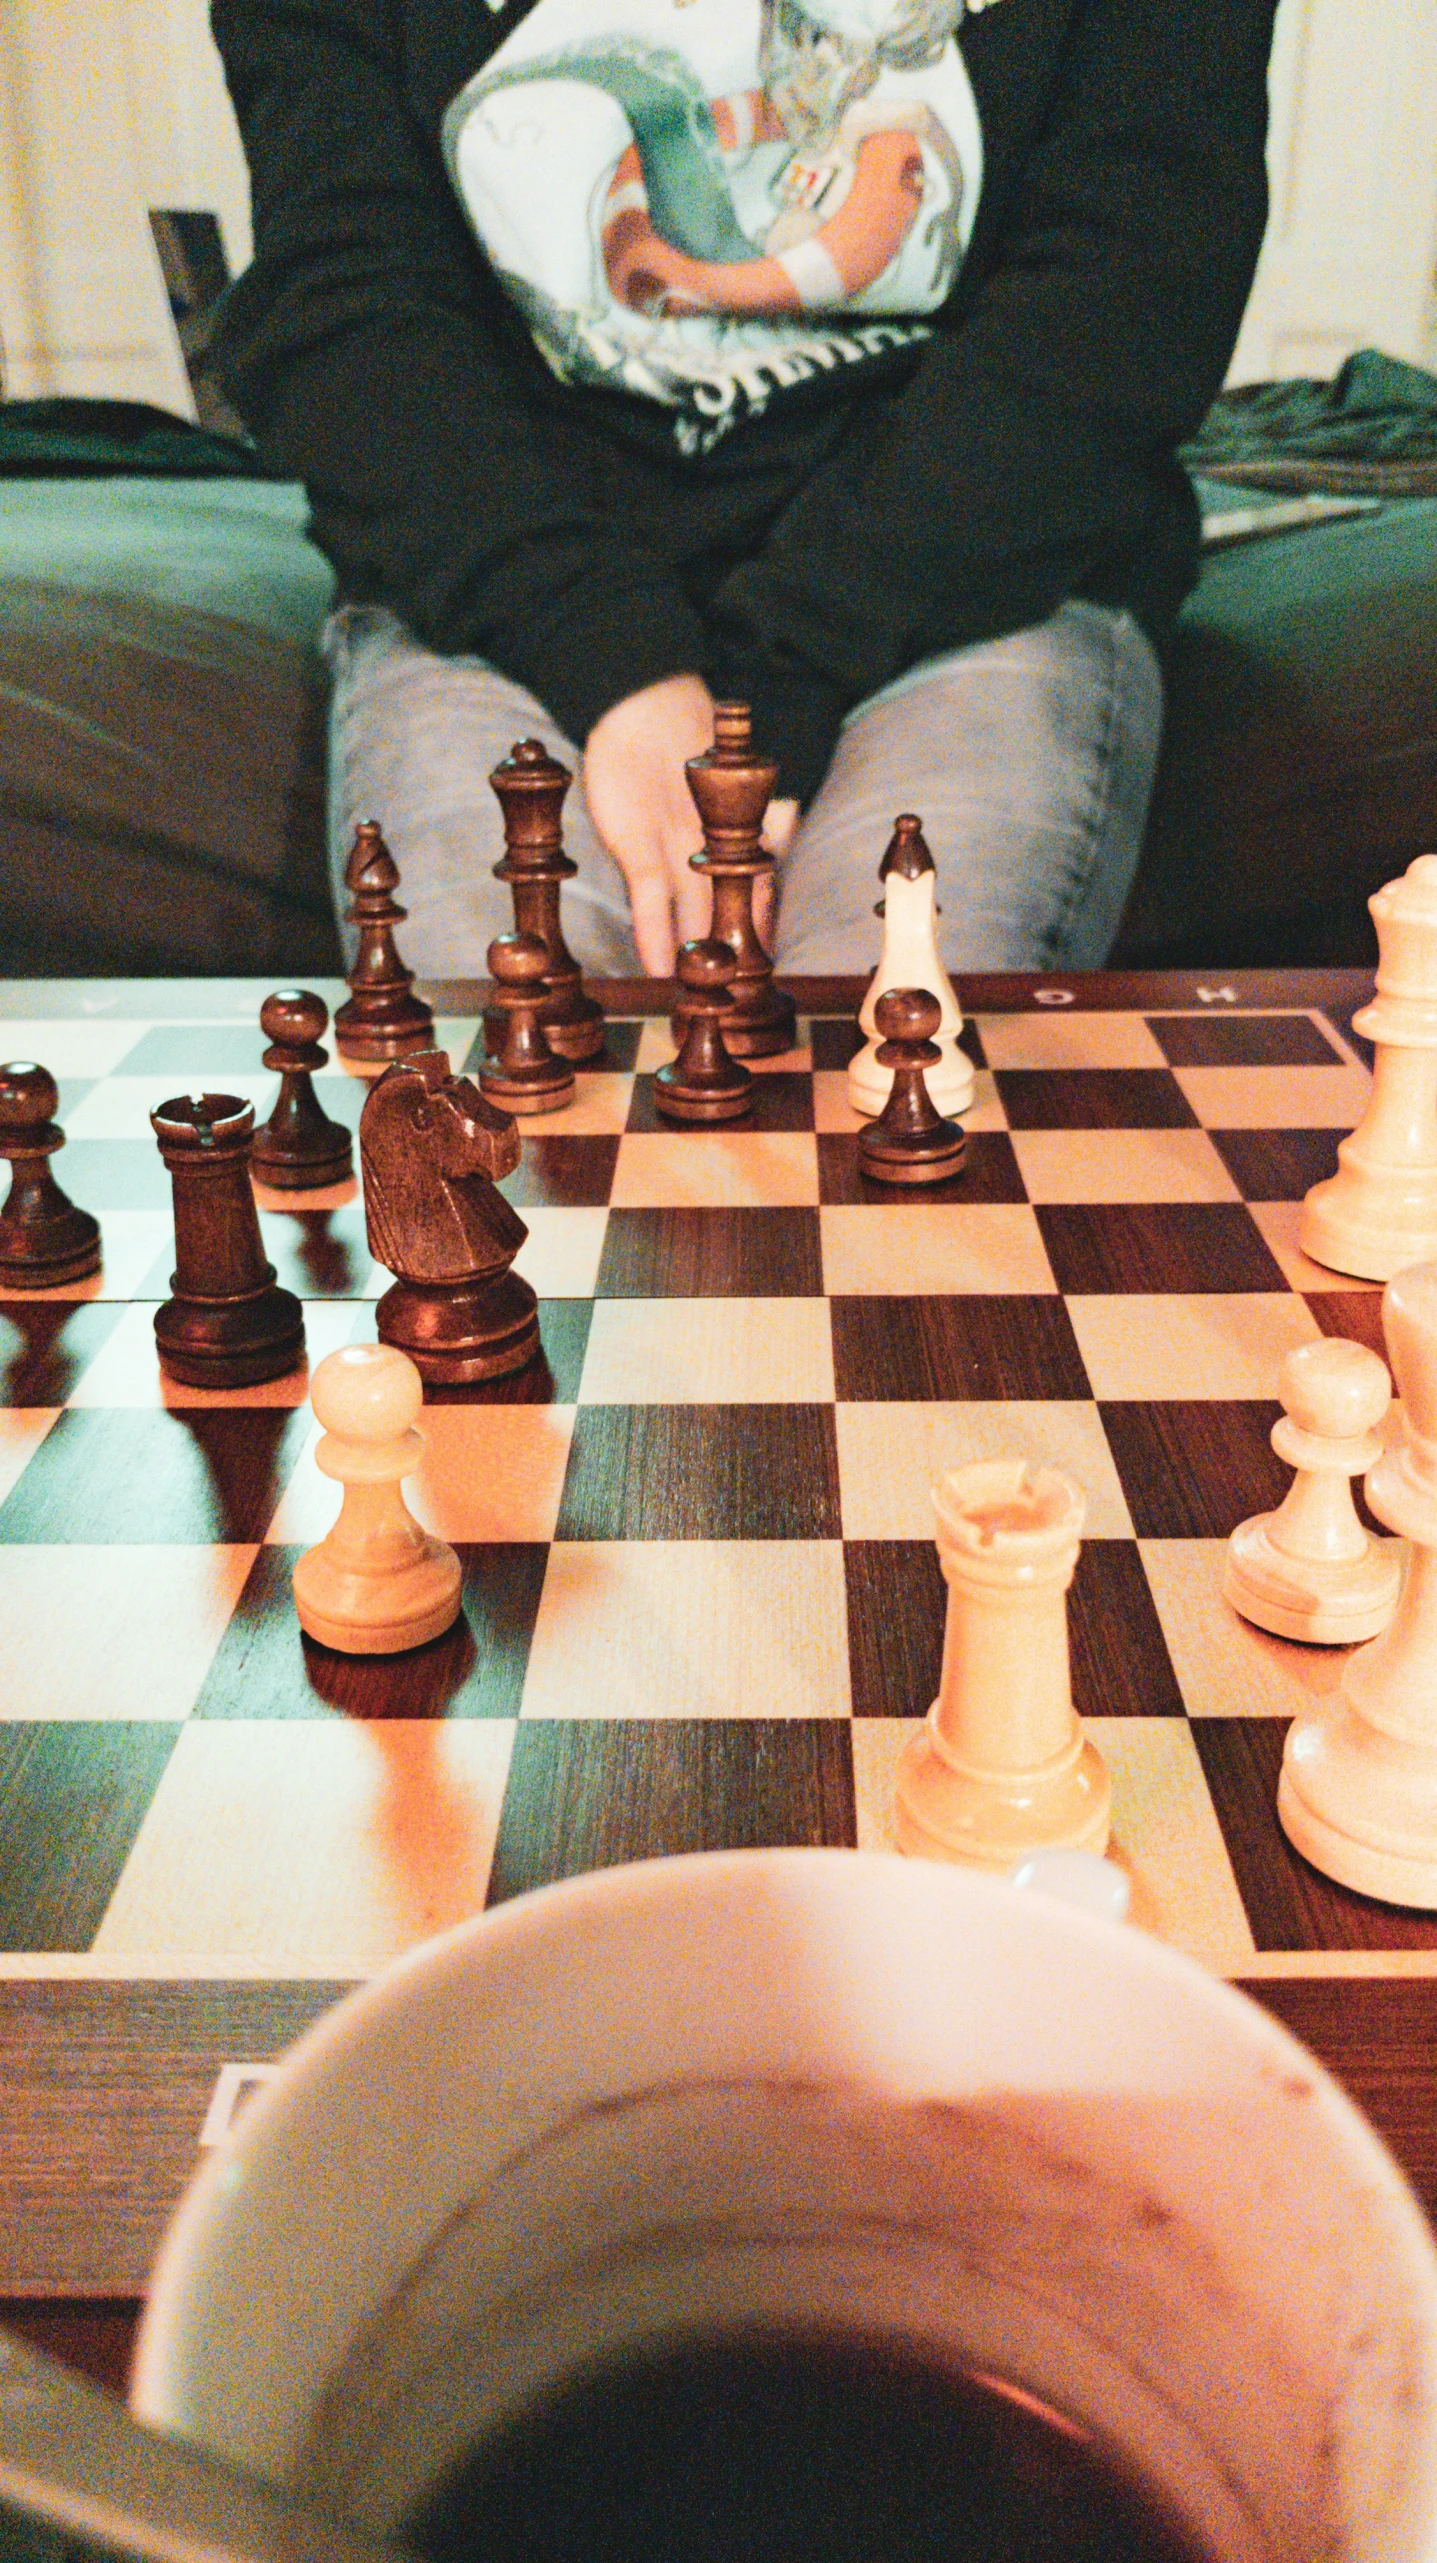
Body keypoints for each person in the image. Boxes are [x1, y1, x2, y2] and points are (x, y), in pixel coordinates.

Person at [210, 0, 1277, 978]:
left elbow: (1124, 298)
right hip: (504, 584)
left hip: (970, 582)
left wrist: (790, 675)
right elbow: (345, 308)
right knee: (506, 1116)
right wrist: (609, 658)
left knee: (890, 1081)